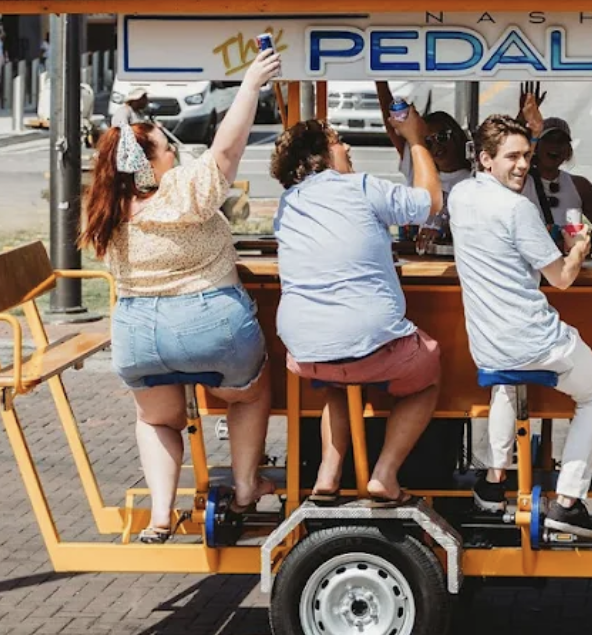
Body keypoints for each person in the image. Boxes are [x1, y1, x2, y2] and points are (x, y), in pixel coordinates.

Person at [79, 48, 282, 545]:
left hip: (136, 336)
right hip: (211, 323)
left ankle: (161, 517)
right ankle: (243, 486)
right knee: (249, 394)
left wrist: (128, 116)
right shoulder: (181, 193)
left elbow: (126, 143)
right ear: (149, 164)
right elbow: (227, 149)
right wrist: (250, 84)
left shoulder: (107, 209)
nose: (175, 150)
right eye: (166, 147)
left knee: (155, 420)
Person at [270, 111, 445, 506]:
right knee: (429, 369)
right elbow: (430, 202)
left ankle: (327, 475)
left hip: (305, 351)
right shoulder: (360, 187)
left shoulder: (287, 204)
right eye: (336, 141)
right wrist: (415, 139)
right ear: (319, 156)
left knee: (336, 381)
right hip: (369, 345)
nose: (346, 146)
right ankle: (384, 474)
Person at [447, 113, 592, 538]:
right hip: (535, 340)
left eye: (527, 156)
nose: (523, 165)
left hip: (488, 344)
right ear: (485, 159)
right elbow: (561, 278)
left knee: (506, 384)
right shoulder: (518, 208)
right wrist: (578, 248)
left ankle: (495, 478)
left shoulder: (461, 196)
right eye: (513, 157)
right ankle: (568, 502)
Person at [517, 83, 592, 242]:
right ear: (536, 145)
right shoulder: (521, 180)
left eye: (561, 141)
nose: (555, 146)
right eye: (549, 140)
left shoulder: (580, 185)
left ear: (568, 150)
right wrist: (523, 117)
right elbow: (507, 149)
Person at [375, 81, 473, 196]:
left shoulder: (474, 180)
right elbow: (393, 125)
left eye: (441, 136)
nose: (436, 145)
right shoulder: (418, 169)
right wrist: (379, 80)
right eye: (427, 142)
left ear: (456, 136)